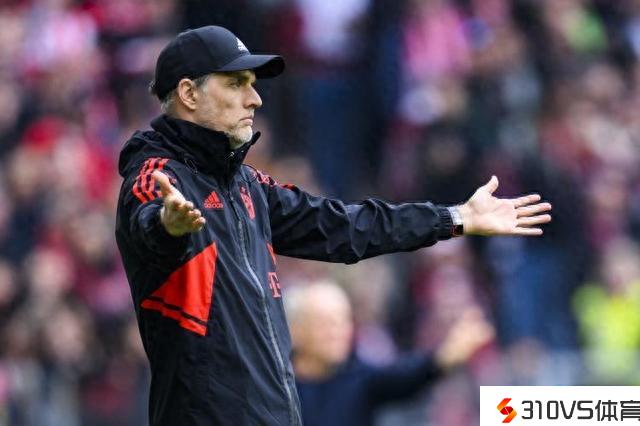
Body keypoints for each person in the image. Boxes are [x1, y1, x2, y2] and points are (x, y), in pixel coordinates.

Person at [114, 25, 552, 426]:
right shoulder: (157, 177)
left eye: (252, 84)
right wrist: (168, 226)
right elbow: (147, 225)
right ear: (189, 94)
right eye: (236, 83)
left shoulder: (248, 187)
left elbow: (345, 226)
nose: (255, 99)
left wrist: (454, 218)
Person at [285, 280, 494, 426]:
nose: (337, 332)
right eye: (324, 323)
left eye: (343, 321)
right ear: (295, 330)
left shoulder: (357, 379)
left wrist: (443, 357)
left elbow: (403, 377)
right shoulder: (277, 386)